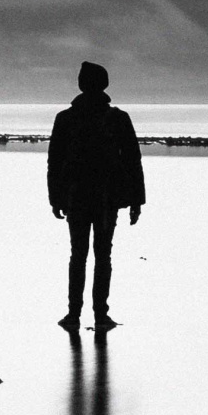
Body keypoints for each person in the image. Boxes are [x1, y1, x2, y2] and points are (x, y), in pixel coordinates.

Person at [47, 61, 145, 332]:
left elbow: (54, 162)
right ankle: (97, 315)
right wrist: (136, 200)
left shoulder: (66, 118)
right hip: (104, 198)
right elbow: (132, 161)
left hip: (82, 197)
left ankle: (75, 315)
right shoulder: (117, 118)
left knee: (79, 255)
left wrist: (55, 198)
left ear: (81, 84)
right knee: (101, 256)